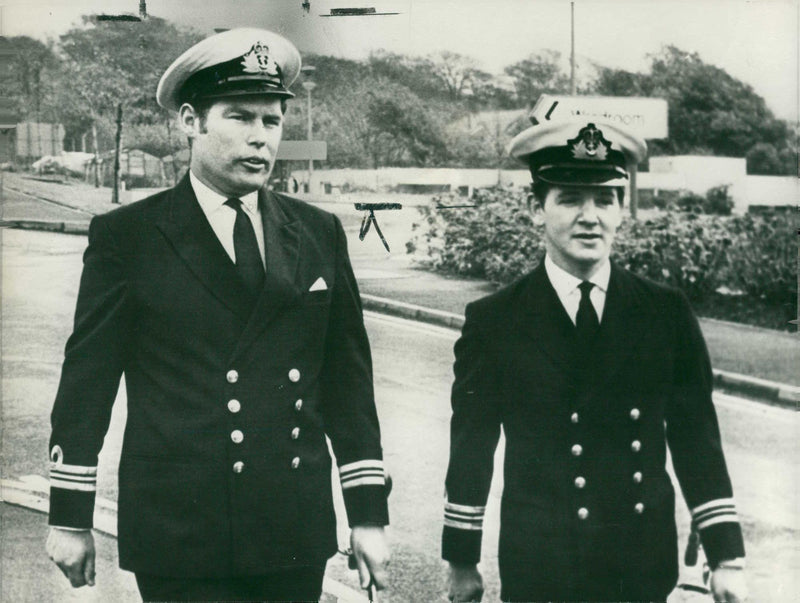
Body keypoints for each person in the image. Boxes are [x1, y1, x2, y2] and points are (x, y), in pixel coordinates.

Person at [45, 28, 390, 602]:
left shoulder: (316, 232)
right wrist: (69, 517)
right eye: (240, 117)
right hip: (180, 531)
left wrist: (369, 514)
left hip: (291, 526)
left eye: (271, 121)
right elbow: (87, 383)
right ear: (189, 121)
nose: (260, 139)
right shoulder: (128, 237)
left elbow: (349, 383)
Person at [442, 119, 748, 602]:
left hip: (641, 567)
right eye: (569, 199)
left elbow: (697, 440)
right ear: (535, 209)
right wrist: (462, 560)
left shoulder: (664, 312)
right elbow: (471, 448)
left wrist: (725, 556)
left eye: (605, 199)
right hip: (540, 570)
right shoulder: (495, 320)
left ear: (622, 209)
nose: (591, 216)